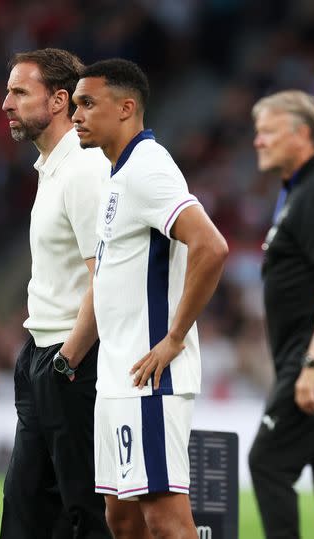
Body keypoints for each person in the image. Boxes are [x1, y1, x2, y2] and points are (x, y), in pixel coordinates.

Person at [71, 58, 228, 539]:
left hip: (149, 375)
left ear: (126, 107)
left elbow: (211, 246)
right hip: (117, 376)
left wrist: (175, 336)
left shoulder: (149, 169)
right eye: (75, 104)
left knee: (164, 517)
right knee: (121, 516)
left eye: (87, 103)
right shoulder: (117, 176)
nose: (76, 115)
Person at [0, 48, 112, 539]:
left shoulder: (84, 171)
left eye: (19, 92)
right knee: (24, 509)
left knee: (83, 512)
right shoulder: (52, 169)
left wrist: (68, 359)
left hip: (72, 360)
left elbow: (104, 276)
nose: (6, 103)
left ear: (60, 99)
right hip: (42, 355)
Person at [247, 90, 314, 539]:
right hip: (308, 356)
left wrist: (313, 363)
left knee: (267, 463)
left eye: (268, 132)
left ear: (303, 134)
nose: (258, 142)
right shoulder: (300, 189)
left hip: (312, 357)